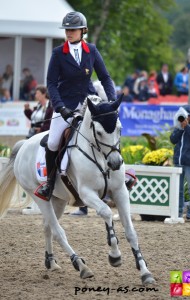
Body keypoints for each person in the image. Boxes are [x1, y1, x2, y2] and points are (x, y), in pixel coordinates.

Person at [35, 11, 117, 202]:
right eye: (67, 30)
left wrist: (111, 101)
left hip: (90, 103)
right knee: (54, 141)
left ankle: (116, 177)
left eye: (73, 29)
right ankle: (49, 183)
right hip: (66, 104)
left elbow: (105, 77)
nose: (69, 33)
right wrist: (60, 107)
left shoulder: (92, 50)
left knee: (108, 131)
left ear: (83, 31)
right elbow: (52, 83)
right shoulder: (58, 53)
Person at [170, 104, 190, 222]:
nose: (184, 120)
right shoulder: (178, 127)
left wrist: (187, 127)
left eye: (186, 117)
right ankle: (179, 213)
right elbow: (172, 140)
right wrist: (181, 129)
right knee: (179, 190)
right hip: (179, 162)